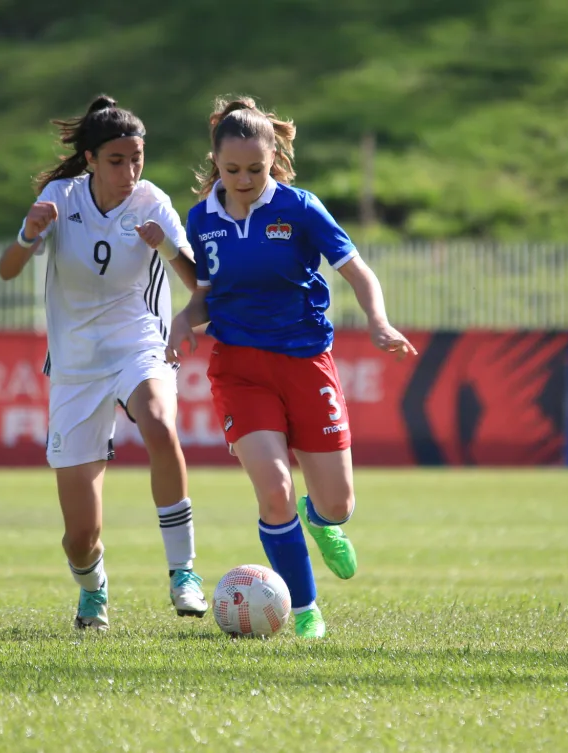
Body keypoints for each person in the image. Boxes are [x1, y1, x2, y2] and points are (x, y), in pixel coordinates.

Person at [168, 96, 417, 639]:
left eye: (255, 169)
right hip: (239, 368)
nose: (244, 179)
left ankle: (323, 521)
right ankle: (305, 611)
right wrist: (184, 321)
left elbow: (359, 272)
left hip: (306, 363)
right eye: (232, 170)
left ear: (274, 156)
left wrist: (378, 322)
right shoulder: (201, 218)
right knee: (274, 488)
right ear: (216, 162)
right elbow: (205, 297)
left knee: (337, 501)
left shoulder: (300, 207)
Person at [0, 94, 207, 631]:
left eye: (138, 158)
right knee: (79, 537)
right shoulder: (59, 197)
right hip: (75, 366)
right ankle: (94, 590)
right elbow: (7, 269)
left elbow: (198, 287)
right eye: (117, 160)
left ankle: (183, 573)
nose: (130, 171)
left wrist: (166, 246)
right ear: (90, 159)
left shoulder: (153, 202)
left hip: (139, 343)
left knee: (160, 425)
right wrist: (27, 232)